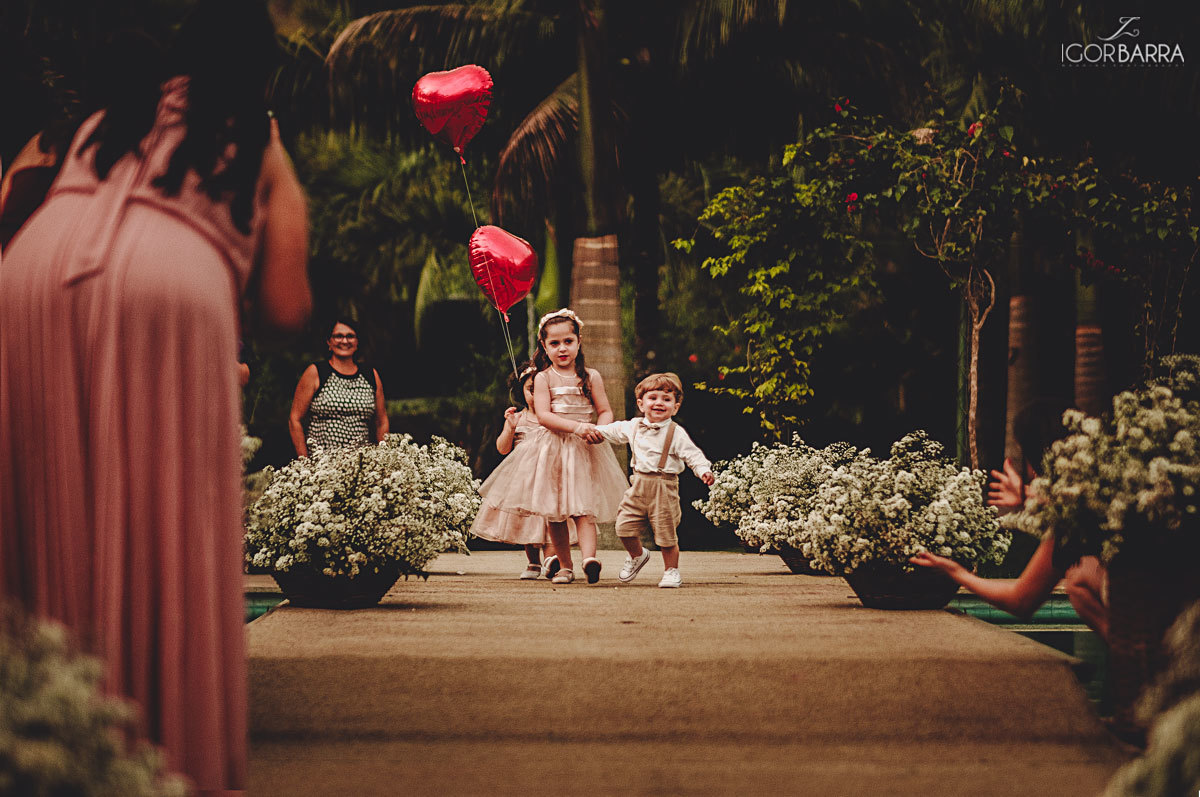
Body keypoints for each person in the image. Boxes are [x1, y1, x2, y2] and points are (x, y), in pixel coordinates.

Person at [0, 1, 312, 793]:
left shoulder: (107, 118)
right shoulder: (253, 130)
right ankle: (161, 747)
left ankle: (45, 730)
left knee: (52, 501)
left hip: (30, 278)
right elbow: (286, 307)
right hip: (165, 285)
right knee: (164, 507)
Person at [911, 398, 1109, 641]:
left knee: (1079, 581)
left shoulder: (1078, 518)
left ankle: (1135, 658)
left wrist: (956, 572)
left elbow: (1020, 600)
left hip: (1149, 622)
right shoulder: (1113, 492)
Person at [476, 308, 627, 585]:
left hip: (583, 449)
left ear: (579, 341)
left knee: (584, 507)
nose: (562, 349)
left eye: (568, 341)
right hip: (552, 449)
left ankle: (589, 559)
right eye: (554, 343)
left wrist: (600, 429)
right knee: (554, 511)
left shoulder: (591, 376)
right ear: (544, 346)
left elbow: (605, 410)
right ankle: (566, 567)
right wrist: (577, 427)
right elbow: (544, 416)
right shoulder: (544, 378)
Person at [591, 372, 715, 588]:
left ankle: (671, 571)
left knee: (666, 532)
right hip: (637, 485)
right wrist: (588, 430)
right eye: (653, 398)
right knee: (623, 526)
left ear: (675, 407)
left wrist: (703, 470)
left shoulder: (676, 433)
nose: (659, 403)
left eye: (666, 400)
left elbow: (693, 455)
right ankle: (637, 555)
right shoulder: (633, 426)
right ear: (641, 403)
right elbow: (609, 431)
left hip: (664, 486)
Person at [470, 362, 576, 578]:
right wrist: (509, 427)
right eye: (531, 390)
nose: (537, 395)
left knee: (551, 519)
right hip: (524, 479)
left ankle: (551, 560)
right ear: (520, 392)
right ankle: (533, 562)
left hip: (552, 476)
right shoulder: (518, 418)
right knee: (526, 519)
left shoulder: (554, 417)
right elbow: (502, 449)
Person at [288, 317, 388, 457]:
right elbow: (295, 419)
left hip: (361, 462)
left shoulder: (370, 375)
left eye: (350, 336)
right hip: (322, 463)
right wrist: (304, 462)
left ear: (357, 342)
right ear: (329, 342)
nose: (345, 341)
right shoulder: (316, 372)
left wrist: (384, 457)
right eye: (338, 336)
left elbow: (381, 421)